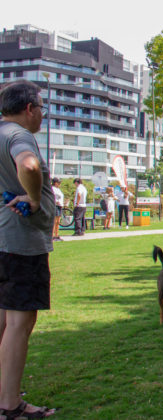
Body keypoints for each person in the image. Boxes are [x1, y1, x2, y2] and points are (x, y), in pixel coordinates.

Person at [0, 79, 57, 418]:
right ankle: (10, 406)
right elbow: (29, 165)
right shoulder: (18, 135)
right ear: (29, 108)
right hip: (21, 242)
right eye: (41, 109)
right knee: (20, 323)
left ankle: (4, 391)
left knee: (5, 320)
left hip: (3, 241)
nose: (42, 116)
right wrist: (34, 199)